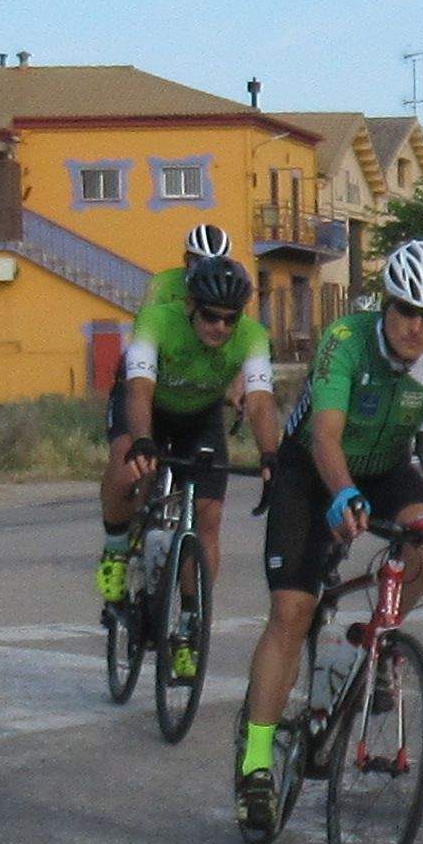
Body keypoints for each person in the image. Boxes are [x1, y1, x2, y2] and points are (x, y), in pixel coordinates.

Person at [237, 237, 423, 844]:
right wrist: (340, 495)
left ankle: (378, 639)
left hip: (385, 465)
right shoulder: (346, 340)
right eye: (406, 310)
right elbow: (326, 438)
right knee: (293, 610)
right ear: (386, 302)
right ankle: (256, 761)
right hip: (313, 469)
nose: (416, 327)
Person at [101, 231, 278, 682]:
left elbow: (259, 402)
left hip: (198, 415)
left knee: (209, 517)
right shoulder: (159, 316)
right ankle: (118, 549)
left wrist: (270, 455)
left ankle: (188, 625)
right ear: (191, 307)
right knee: (126, 464)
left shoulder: (253, 336)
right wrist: (142, 440)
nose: (220, 327)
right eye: (211, 317)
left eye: (229, 319)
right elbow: (139, 387)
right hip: (150, 404)